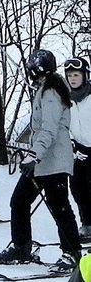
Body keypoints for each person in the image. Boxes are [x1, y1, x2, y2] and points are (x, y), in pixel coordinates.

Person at [0, 49, 81, 273]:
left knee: (59, 206)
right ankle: (21, 247)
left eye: (33, 64)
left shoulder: (51, 92)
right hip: (41, 162)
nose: (30, 68)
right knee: (19, 201)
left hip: (54, 161)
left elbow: (49, 130)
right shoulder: (43, 89)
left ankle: (72, 253)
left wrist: (33, 155)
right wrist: (34, 155)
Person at [64, 57, 91, 240]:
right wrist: (72, 143)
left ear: (85, 76)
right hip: (78, 150)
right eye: (69, 75)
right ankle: (87, 224)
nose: (73, 79)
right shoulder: (66, 100)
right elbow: (64, 125)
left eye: (76, 75)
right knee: (78, 188)